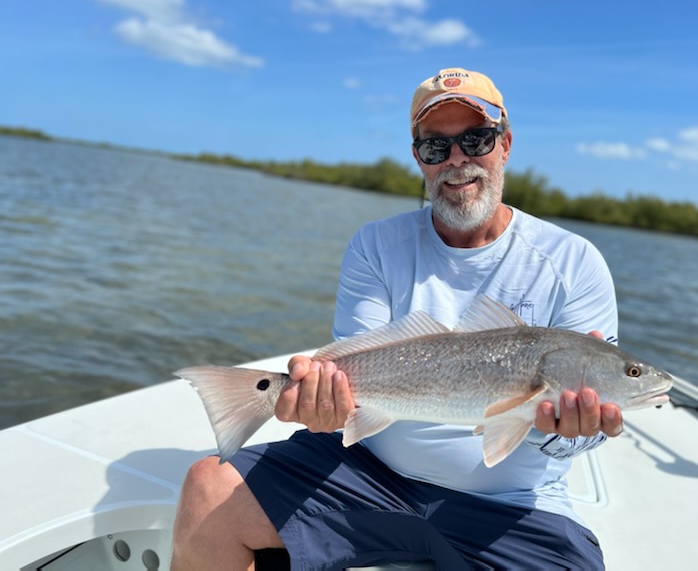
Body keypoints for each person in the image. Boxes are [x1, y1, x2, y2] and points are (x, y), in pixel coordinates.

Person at [171, 67, 623, 570]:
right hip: (367, 471)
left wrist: (570, 431)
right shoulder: (375, 245)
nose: (457, 161)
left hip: (509, 504)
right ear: (418, 159)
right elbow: (356, 370)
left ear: (505, 144)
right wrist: (325, 407)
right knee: (207, 492)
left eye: (475, 139)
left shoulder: (574, 262)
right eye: (436, 147)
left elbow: (586, 440)